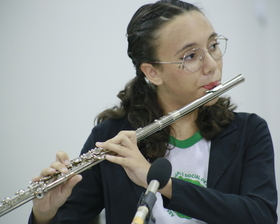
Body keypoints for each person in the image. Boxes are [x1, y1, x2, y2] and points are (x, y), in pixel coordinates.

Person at [29, 0, 278, 223]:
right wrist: (45, 214)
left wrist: (162, 183)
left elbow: (261, 215)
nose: (212, 65)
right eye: (191, 56)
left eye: (213, 45)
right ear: (152, 72)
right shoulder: (116, 138)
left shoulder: (248, 131)